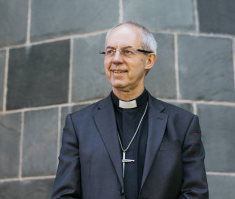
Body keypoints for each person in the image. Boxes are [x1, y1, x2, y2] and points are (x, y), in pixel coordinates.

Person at [51, 21, 209, 199]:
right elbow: (64, 194)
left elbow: (195, 194)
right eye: (110, 51)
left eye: (127, 51)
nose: (116, 59)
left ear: (149, 60)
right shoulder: (79, 124)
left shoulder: (183, 124)